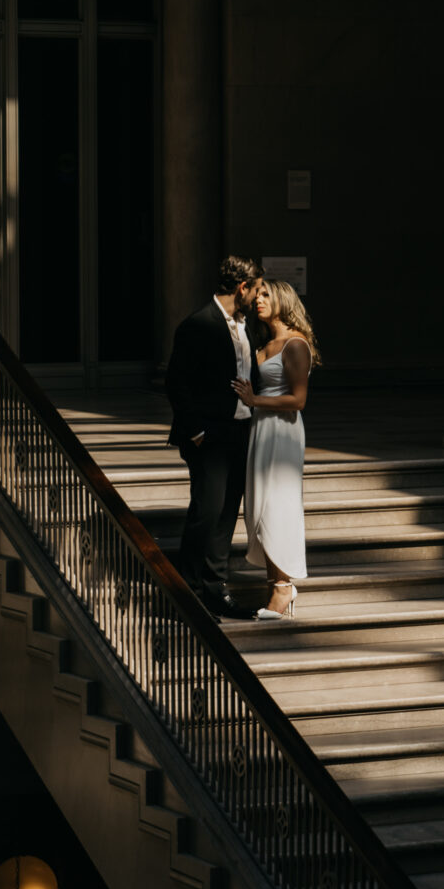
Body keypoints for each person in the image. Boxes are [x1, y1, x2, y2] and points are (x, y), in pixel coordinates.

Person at [165, 256, 264, 621]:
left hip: (239, 430)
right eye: (255, 291)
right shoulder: (198, 324)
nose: (257, 298)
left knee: (225, 517)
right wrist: (197, 431)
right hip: (208, 435)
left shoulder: (244, 324)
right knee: (205, 514)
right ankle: (186, 595)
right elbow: (177, 382)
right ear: (242, 288)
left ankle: (214, 589)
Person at [231, 278, 320, 620]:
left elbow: (298, 400)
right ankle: (276, 584)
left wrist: (255, 400)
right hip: (261, 430)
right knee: (257, 510)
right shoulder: (265, 343)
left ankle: (283, 588)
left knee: (276, 508)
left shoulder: (295, 345)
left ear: (283, 299)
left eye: (266, 294)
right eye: (258, 294)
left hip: (282, 433)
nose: (259, 300)